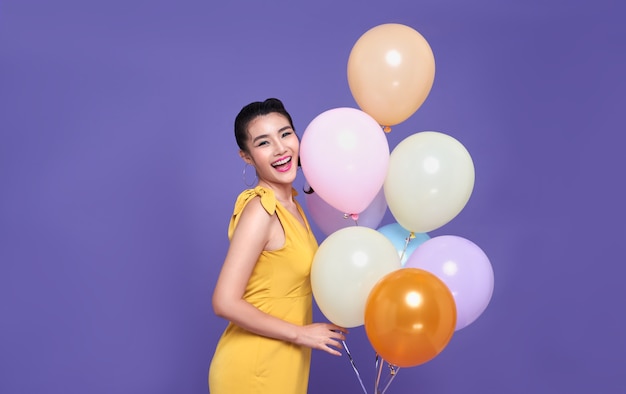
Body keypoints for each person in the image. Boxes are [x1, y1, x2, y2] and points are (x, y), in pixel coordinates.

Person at [208, 98, 348, 393]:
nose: (281, 148)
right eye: (263, 142)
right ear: (247, 157)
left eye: (285, 134)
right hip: (254, 367)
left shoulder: (292, 205)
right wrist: (300, 334)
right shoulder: (261, 208)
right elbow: (224, 301)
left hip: (285, 363)